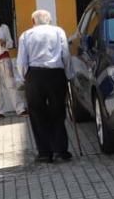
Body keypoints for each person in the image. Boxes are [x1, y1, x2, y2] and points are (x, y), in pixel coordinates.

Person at [17, 9, 74, 163]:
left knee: (37, 114)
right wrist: (69, 75)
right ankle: (61, 150)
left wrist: (24, 78)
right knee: (58, 111)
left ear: (33, 21)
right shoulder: (58, 31)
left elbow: (22, 61)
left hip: (34, 76)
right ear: (49, 20)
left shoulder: (26, 35)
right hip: (56, 74)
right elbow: (66, 55)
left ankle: (44, 153)